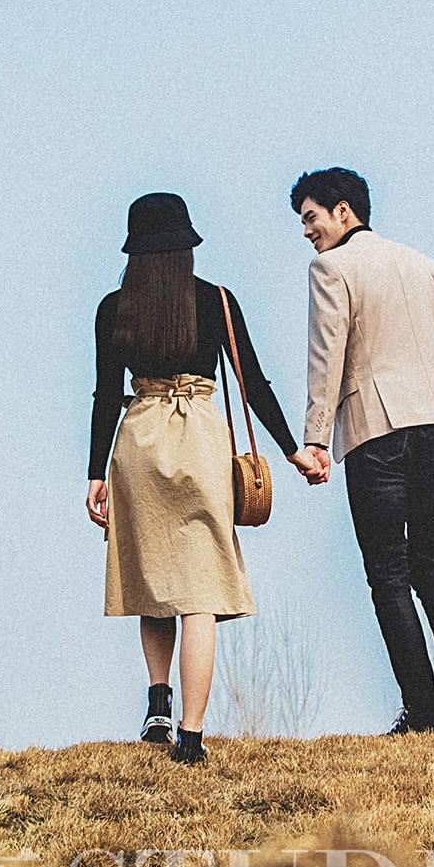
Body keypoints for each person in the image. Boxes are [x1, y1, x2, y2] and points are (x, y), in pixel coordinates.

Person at [87, 192, 301, 765]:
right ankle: (192, 734)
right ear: (188, 246)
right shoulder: (218, 302)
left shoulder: (114, 309)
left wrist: (93, 475)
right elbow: (253, 384)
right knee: (199, 592)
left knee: (152, 579)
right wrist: (292, 450)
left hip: (140, 438)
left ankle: (158, 699)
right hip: (202, 440)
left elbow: (107, 395)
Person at [287, 167, 434, 733]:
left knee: (387, 571)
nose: (306, 232)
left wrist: (314, 440)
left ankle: (424, 712)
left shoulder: (331, 267)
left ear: (342, 212)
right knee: (433, 560)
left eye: (310, 218)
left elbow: (325, 354)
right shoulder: (423, 264)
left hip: (375, 431)